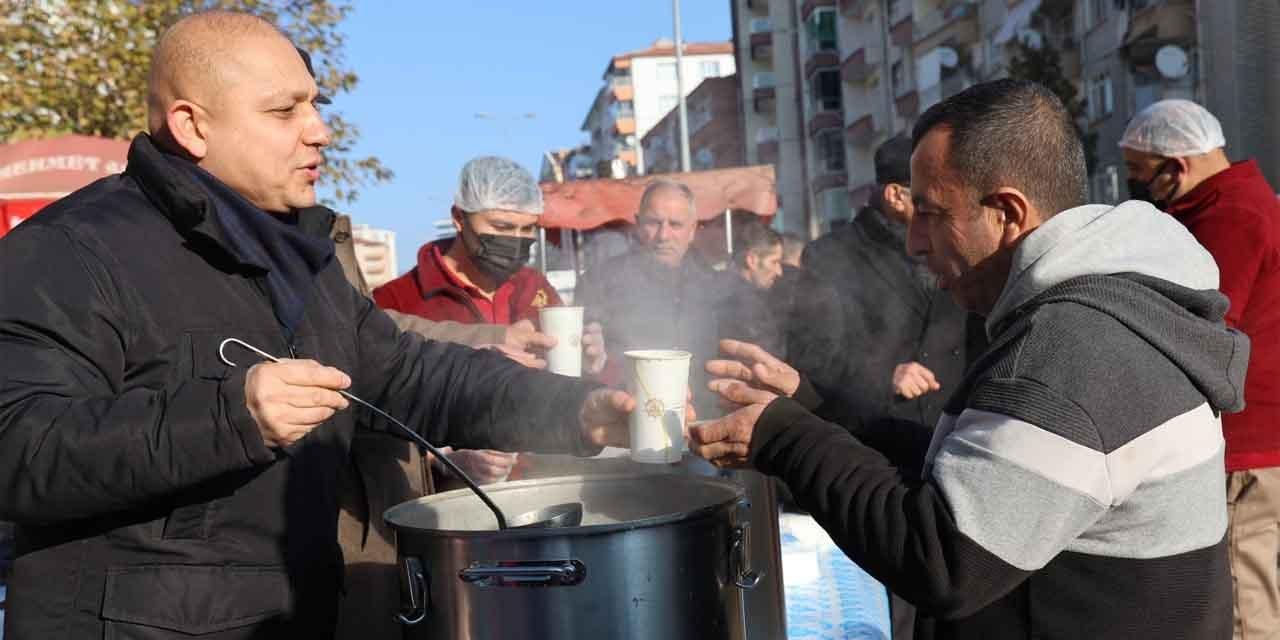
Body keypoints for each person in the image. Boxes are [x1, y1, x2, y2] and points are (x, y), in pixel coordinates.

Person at [0, 12, 635, 638]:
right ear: (192, 126)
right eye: (284, 111)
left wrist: (579, 412)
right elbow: (19, 451)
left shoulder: (295, 257)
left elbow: (414, 375)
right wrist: (231, 416)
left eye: (316, 105)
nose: (320, 131)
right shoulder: (70, 251)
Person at [690, 79, 1247, 639]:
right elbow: (972, 470)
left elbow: (944, 557)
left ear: (1006, 212)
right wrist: (812, 408)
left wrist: (784, 437)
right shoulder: (1095, 309)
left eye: (930, 213)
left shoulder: (1069, 346)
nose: (914, 242)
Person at [1120, 100, 1280, 640]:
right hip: (1256, 435)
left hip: (1246, 442)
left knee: (1241, 598)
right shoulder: (1236, 204)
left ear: (1176, 167)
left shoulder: (1230, 217)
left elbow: (1202, 326)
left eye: (1140, 176)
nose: (1137, 188)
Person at [373, 156, 606, 486]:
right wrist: (445, 457)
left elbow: (559, 385)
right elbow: (378, 418)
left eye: (527, 229)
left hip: (540, 483)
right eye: (501, 227)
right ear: (459, 218)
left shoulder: (535, 288)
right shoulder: (396, 301)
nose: (515, 240)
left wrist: (589, 361)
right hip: (449, 504)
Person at [575, 179, 730, 416]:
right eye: (653, 223)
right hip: (626, 418)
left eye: (675, 224)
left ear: (692, 230)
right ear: (637, 224)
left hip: (703, 420)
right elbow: (583, 357)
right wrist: (594, 359)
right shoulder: (599, 281)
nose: (663, 235)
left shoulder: (718, 285)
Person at [718, 220, 785, 357]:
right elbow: (769, 359)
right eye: (774, 262)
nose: (779, 272)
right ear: (752, 260)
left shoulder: (714, 288)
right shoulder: (749, 305)